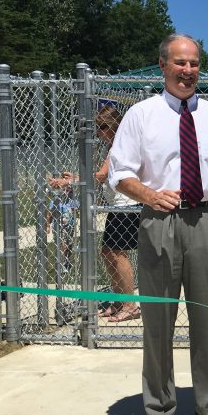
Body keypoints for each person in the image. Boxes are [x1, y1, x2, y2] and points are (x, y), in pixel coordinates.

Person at [109, 33, 208, 415]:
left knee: (206, 318)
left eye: (194, 64)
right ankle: (158, 409)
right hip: (160, 220)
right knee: (159, 321)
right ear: (163, 65)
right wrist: (149, 195)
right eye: (180, 63)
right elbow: (120, 172)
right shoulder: (141, 115)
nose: (188, 71)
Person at [93, 105, 140, 322]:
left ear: (114, 126)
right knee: (108, 252)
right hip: (118, 206)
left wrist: (74, 180)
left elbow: (101, 175)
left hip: (127, 205)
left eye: (102, 127)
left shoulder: (119, 146)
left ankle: (130, 306)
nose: (98, 132)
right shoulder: (113, 146)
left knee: (117, 253)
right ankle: (121, 301)